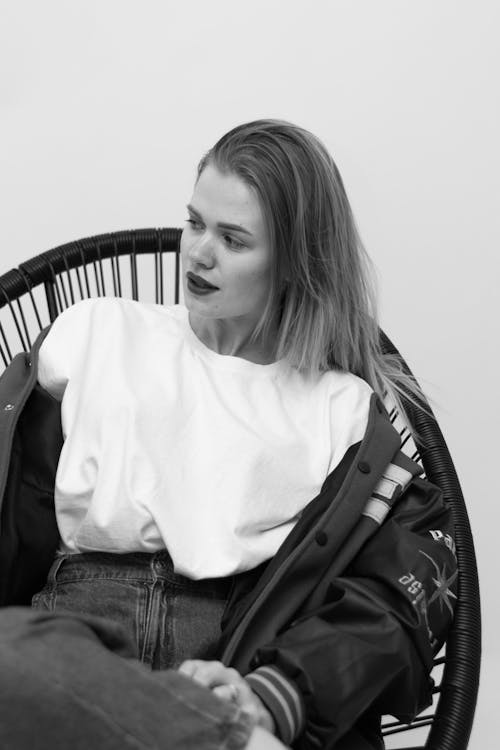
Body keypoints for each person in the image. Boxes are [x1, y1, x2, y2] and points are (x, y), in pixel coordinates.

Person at [0, 119, 457, 749]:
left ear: (296, 261)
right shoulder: (97, 333)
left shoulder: (339, 410)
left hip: (230, 658)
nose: (198, 252)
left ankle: (227, 727)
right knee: (10, 657)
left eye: (234, 240)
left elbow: (406, 590)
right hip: (77, 644)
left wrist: (278, 694)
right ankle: (222, 739)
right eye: (194, 223)